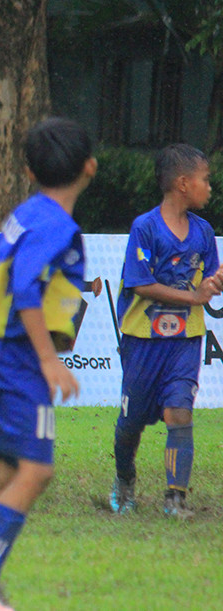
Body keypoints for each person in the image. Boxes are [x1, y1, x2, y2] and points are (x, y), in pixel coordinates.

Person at [0, 118, 97, 611]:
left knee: (10, 471)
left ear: (29, 171)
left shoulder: (28, 213)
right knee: (36, 470)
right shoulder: (58, 226)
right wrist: (49, 359)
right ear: (90, 168)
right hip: (13, 361)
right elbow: (26, 287)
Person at [109, 144, 223, 518]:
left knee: (180, 412)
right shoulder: (145, 227)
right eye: (206, 179)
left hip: (185, 341)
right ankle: (125, 478)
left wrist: (214, 283)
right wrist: (194, 297)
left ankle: (175, 498)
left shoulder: (204, 232)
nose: (210, 186)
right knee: (131, 422)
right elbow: (141, 284)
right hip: (143, 339)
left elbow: (209, 279)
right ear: (183, 183)